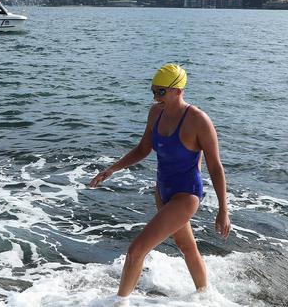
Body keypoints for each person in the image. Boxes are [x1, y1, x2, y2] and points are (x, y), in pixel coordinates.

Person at [88, 64, 231, 304]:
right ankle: (205, 297)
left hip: (186, 196)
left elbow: (216, 167)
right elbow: (144, 148)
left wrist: (223, 211)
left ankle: (118, 302)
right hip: (162, 190)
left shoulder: (198, 120)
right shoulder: (156, 112)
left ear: (178, 90)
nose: (155, 96)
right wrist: (112, 169)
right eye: (153, 90)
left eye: (161, 91)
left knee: (136, 251)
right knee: (187, 247)